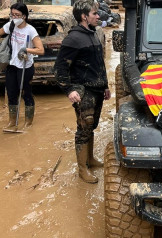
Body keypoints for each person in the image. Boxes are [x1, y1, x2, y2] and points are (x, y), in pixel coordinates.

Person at [54, 0, 110, 184]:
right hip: (83, 90)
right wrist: (69, 90)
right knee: (83, 129)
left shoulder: (93, 34)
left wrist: (106, 86)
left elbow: (99, 64)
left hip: (96, 89)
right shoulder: (73, 39)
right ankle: (82, 169)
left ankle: (90, 159)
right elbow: (60, 68)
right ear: (84, 16)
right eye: (94, 13)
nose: (98, 16)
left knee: (91, 126)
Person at [0, 3, 44, 131]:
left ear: (24, 16)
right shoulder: (10, 25)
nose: (14, 17)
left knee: (26, 93)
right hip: (12, 65)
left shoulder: (30, 30)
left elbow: (40, 50)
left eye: (17, 15)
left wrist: (27, 50)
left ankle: (28, 122)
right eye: (12, 14)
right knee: (12, 93)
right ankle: (12, 122)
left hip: (25, 66)